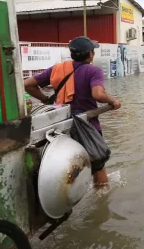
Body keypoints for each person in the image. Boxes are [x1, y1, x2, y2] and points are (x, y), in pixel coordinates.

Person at [23, 36, 121, 187]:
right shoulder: (93, 71)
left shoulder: (57, 69)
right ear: (90, 54)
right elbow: (98, 94)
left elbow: (28, 85)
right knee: (98, 165)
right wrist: (113, 101)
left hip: (60, 127)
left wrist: (45, 100)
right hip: (87, 126)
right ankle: (102, 199)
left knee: (69, 167)